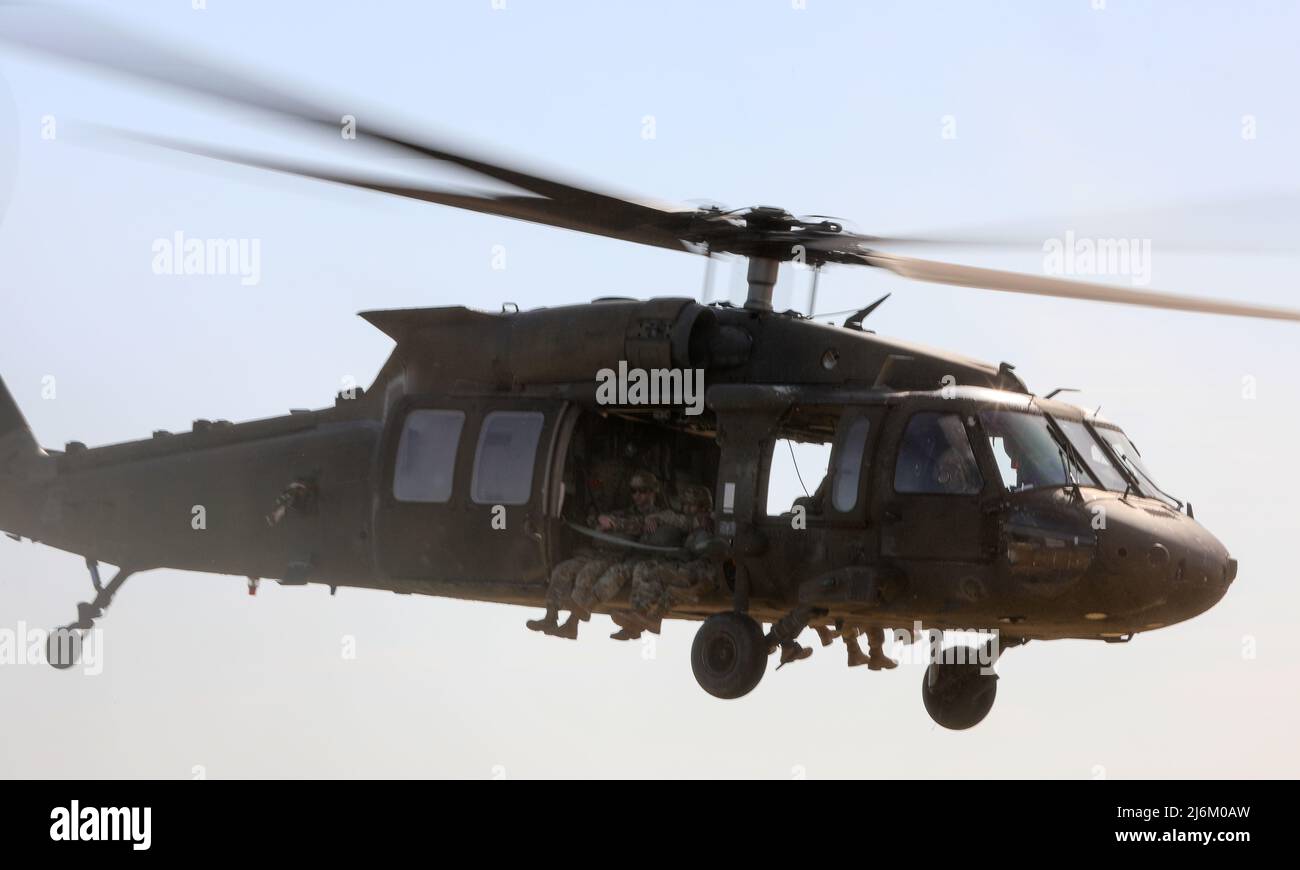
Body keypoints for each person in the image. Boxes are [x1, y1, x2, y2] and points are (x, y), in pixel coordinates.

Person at [613, 483, 716, 641]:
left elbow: (688, 528)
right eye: (685, 505)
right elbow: (680, 522)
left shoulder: (710, 521)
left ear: (703, 506)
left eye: (692, 505)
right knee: (646, 569)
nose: (687, 509)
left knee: (657, 574)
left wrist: (658, 517)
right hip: (686, 566)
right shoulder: (692, 523)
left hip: (701, 571)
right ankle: (636, 621)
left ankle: (642, 618)